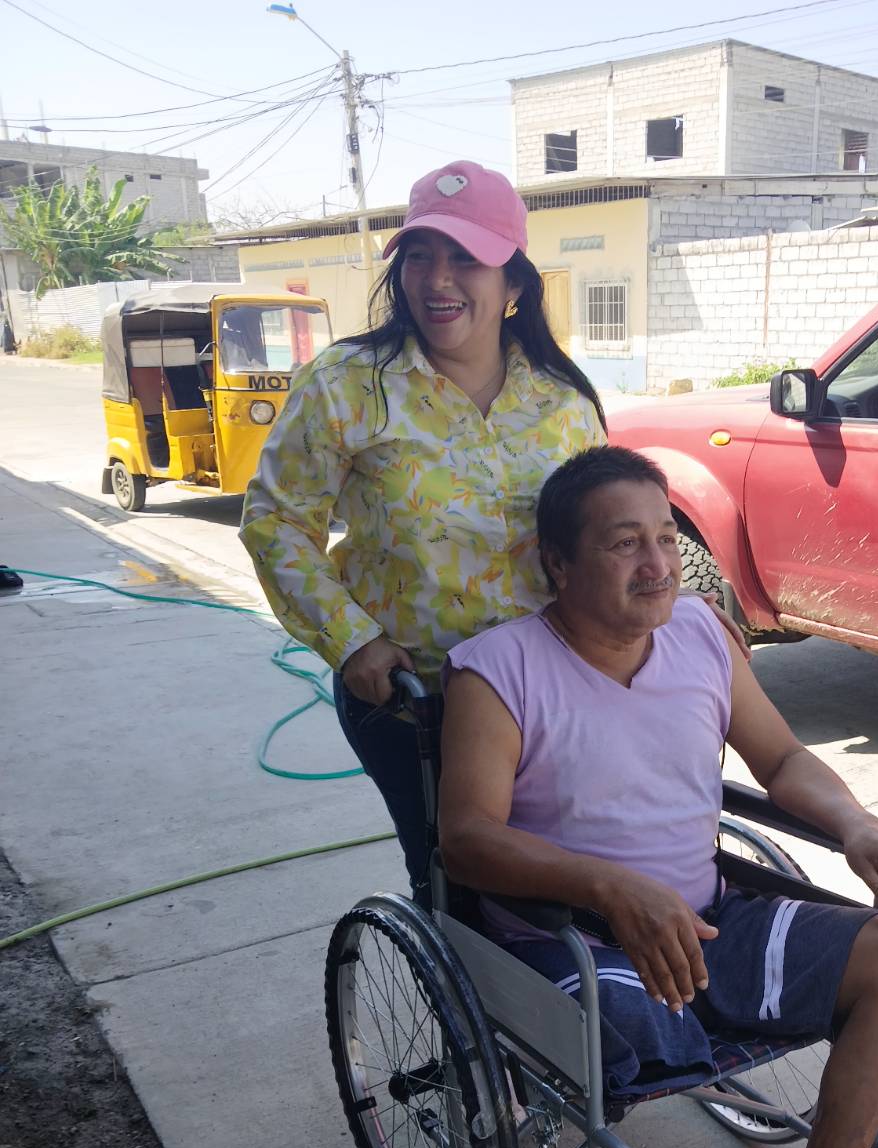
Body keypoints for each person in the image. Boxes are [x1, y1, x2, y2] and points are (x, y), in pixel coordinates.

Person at [436, 445, 878, 1148]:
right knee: (644, 1045)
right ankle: (686, 1033)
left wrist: (858, 824)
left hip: (705, 921)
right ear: (559, 563)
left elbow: (781, 759)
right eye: (624, 543)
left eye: (666, 537)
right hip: (572, 941)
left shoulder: (703, 636)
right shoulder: (498, 670)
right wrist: (609, 889)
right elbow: (467, 839)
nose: (658, 563)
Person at [239, 160, 608, 903]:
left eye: (465, 258)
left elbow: (607, 535)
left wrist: (672, 618)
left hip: (550, 696)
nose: (437, 279)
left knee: (568, 881)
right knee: (458, 885)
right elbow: (278, 523)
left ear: (513, 283)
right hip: (415, 701)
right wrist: (354, 643)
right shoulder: (348, 384)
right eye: (419, 255)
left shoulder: (564, 402)